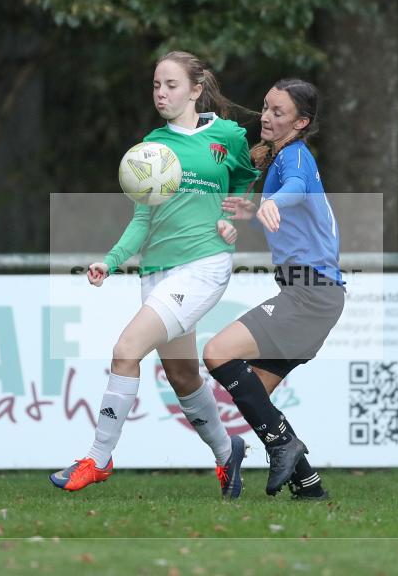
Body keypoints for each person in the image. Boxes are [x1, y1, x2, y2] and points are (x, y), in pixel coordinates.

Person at [50, 51, 260, 499]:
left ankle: (97, 459)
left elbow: (245, 179)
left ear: (196, 90)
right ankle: (228, 455)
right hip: (157, 271)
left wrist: (234, 217)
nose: (161, 94)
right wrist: (111, 259)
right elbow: (143, 219)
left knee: (126, 350)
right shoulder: (151, 144)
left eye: (171, 85)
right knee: (183, 377)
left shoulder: (227, 135)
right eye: (155, 85)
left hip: (205, 265)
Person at [204, 79, 344, 499]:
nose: (266, 117)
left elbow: (297, 191)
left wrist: (271, 202)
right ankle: (308, 485)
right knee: (257, 397)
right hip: (315, 294)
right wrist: (255, 208)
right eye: (265, 107)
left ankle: (283, 445)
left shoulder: (295, 157)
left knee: (216, 353)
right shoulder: (283, 158)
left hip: (310, 294)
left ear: (301, 122)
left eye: (278, 112)